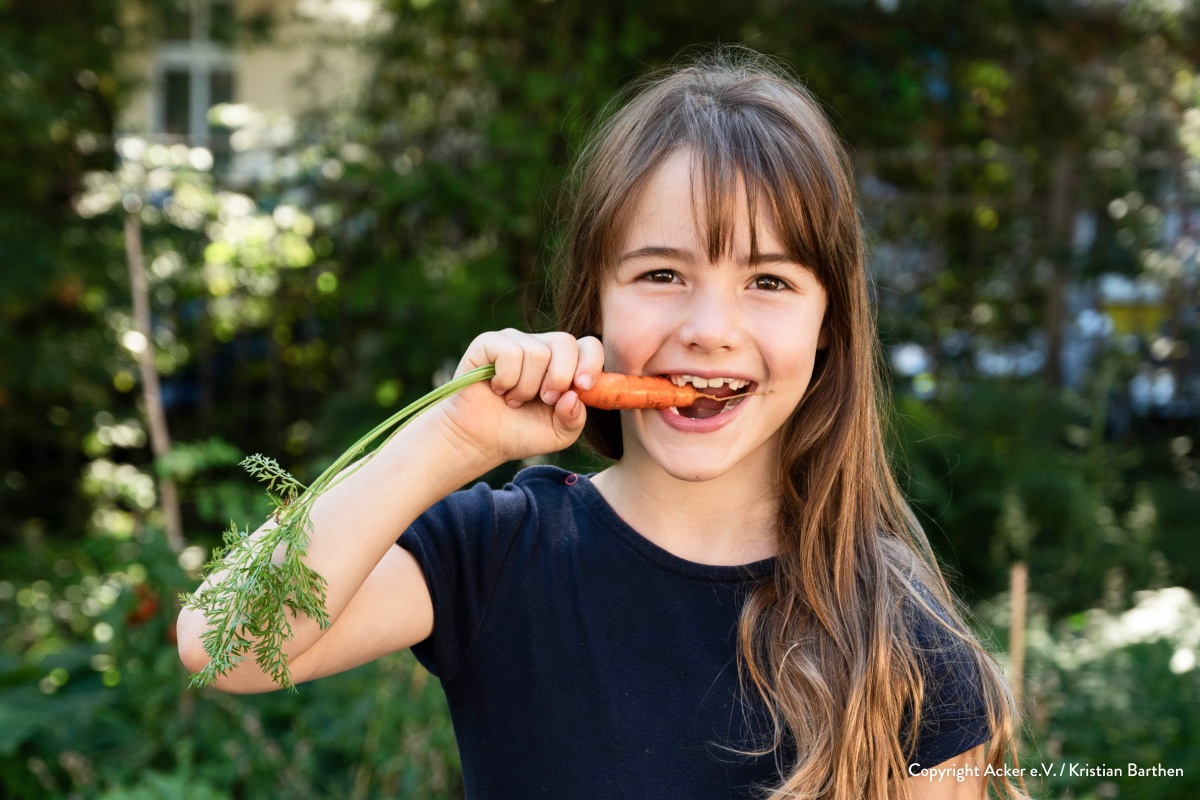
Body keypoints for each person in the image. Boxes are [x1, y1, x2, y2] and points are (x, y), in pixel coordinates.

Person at [178, 47, 1029, 800]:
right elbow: (223, 645)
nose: (710, 328)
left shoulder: (899, 632)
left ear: (827, 326)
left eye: (768, 282)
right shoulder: (501, 553)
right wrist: (451, 439)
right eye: (662, 274)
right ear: (595, 304)